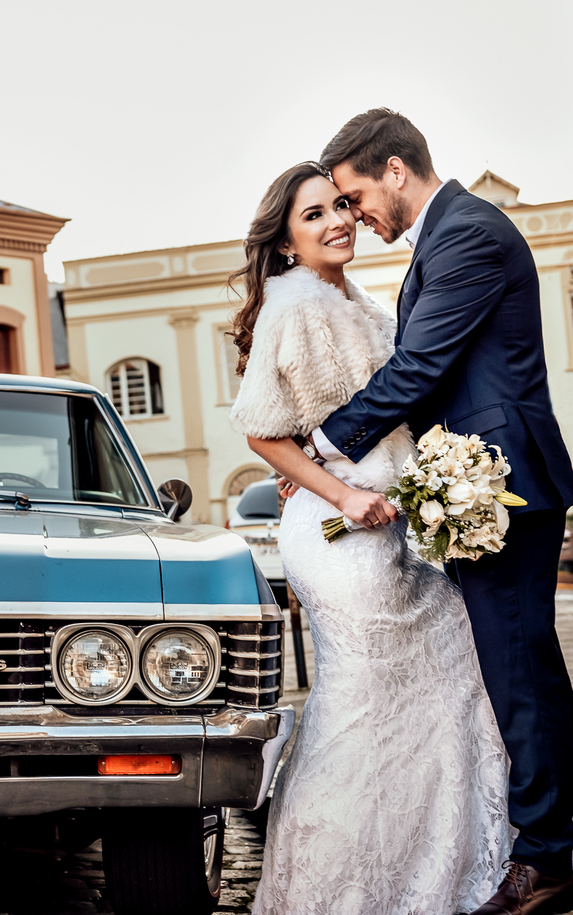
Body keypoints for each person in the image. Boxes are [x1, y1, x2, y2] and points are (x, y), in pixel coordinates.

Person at [230, 160, 511, 914]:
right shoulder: (293, 304)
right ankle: (339, 888)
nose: (339, 222)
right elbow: (261, 430)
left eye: (342, 207)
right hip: (338, 529)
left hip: (389, 523)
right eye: (315, 215)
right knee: (365, 700)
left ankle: (433, 864)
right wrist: (343, 490)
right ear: (286, 243)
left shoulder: (357, 300)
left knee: (446, 672)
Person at [314, 109, 573, 915]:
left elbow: (421, 366)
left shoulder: (466, 233)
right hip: (485, 481)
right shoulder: (448, 234)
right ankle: (557, 838)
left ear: (395, 170)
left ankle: (548, 856)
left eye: (356, 197)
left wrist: (320, 444)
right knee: (524, 668)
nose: (356, 216)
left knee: (519, 672)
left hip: (503, 482)